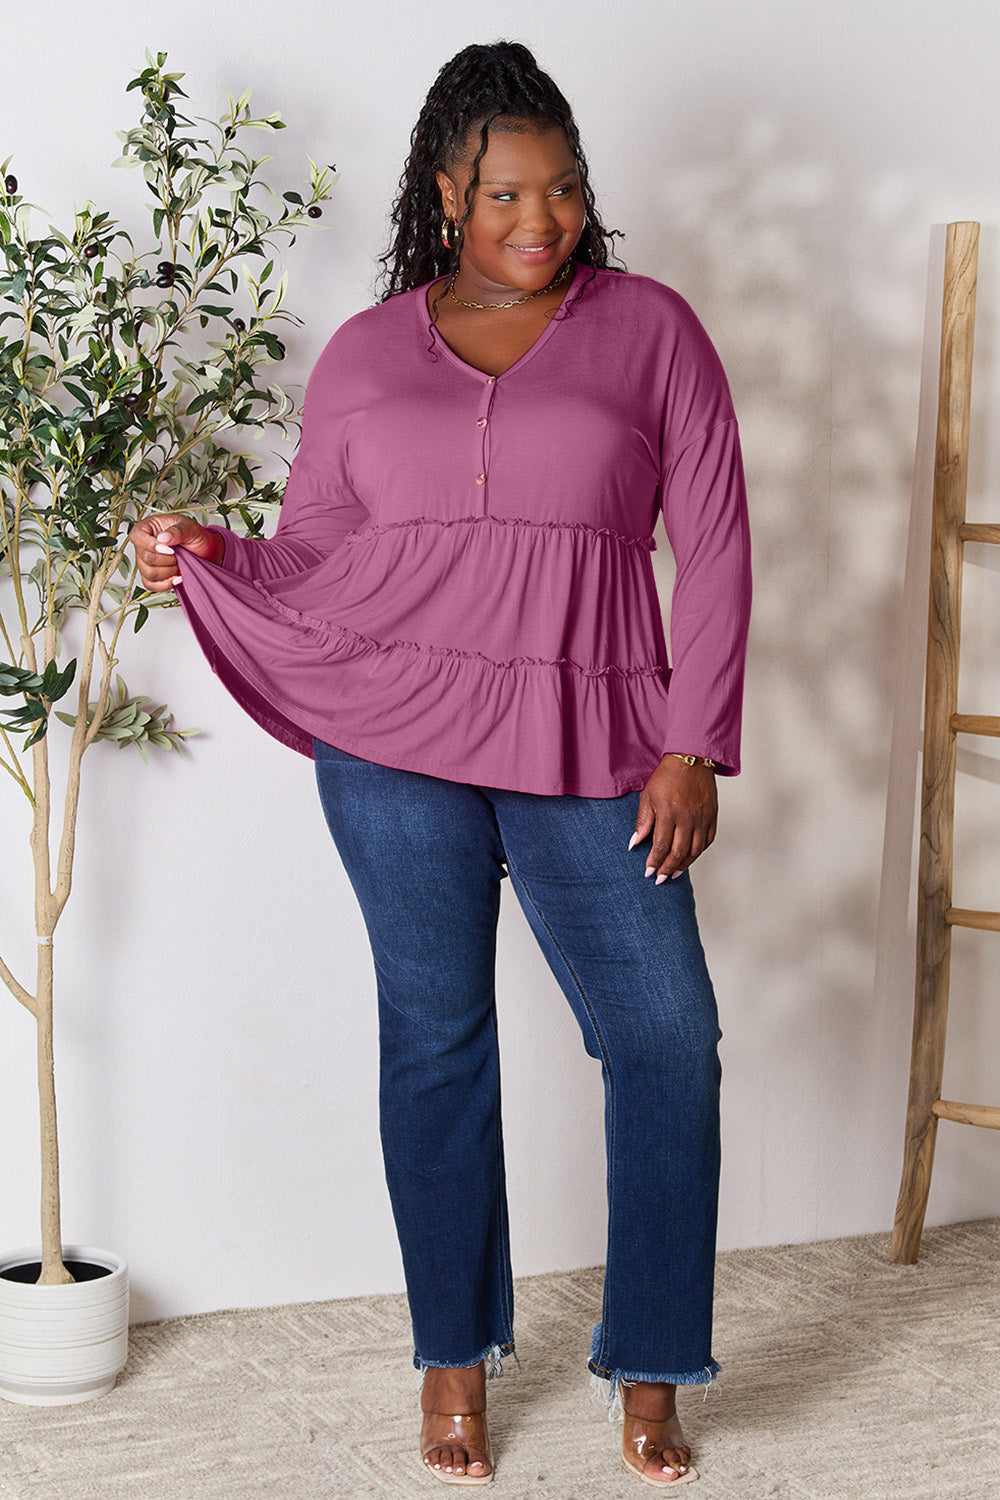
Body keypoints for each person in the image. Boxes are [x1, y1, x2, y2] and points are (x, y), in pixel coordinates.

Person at [128, 39, 751, 1489]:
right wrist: (218, 554)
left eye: (565, 191)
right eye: (504, 193)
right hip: (392, 744)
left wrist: (692, 739)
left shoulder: (654, 330)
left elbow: (713, 544)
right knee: (436, 1042)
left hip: (593, 737)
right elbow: (325, 556)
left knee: (664, 1040)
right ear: (443, 193)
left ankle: (654, 1367)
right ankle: (452, 1367)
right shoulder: (362, 356)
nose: (541, 220)